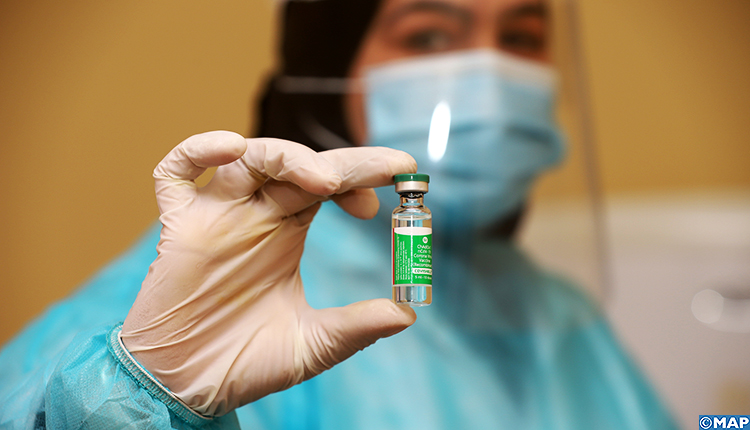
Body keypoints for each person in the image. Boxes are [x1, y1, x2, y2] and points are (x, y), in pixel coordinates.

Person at [0, 0, 678, 428]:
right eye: (429, 36)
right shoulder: (194, 299)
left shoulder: (552, 308)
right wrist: (141, 400)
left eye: (522, 36)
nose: (491, 78)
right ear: (331, 62)